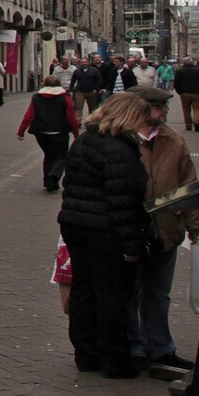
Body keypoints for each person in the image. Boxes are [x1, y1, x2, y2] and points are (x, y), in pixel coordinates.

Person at [57, 91, 152, 377]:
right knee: (111, 294)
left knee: (83, 290)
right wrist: (131, 246)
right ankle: (114, 359)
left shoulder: (85, 140)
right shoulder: (119, 150)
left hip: (75, 224)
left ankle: (85, 354)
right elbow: (123, 203)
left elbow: (68, 181)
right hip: (105, 230)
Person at [129, 82, 199, 372]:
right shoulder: (121, 138)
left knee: (159, 292)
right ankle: (133, 348)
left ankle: (160, 348)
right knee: (130, 292)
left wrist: (196, 224)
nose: (163, 112)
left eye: (164, 107)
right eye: (157, 107)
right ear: (141, 109)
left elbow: (188, 183)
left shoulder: (173, 140)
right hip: (132, 230)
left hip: (166, 228)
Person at [18, 72, 81, 191]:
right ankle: (54, 175)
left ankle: (48, 181)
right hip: (59, 132)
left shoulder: (36, 97)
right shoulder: (65, 98)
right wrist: (76, 132)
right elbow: (71, 117)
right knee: (61, 156)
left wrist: (21, 131)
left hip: (40, 132)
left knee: (49, 155)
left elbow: (29, 116)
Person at [172, 57, 199, 134]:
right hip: (197, 93)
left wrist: (179, 92)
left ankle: (188, 125)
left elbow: (176, 83)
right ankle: (196, 120)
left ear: (184, 63)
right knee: (197, 108)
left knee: (186, 109)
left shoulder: (179, 71)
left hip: (184, 93)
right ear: (191, 62)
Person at [72, 56, 105, 121]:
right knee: (78, 107)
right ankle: (78, 122)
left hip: (92, 92)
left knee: (92, 108)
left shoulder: (94, 70)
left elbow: (99, 80)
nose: (84, 63)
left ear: (88, 63)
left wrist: (96, 89)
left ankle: (91, 121)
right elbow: (73, 81)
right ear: (80, 63)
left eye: (85, 62)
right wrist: (71, 90)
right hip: (80, 91)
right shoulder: (77, 71)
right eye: (82, 62)